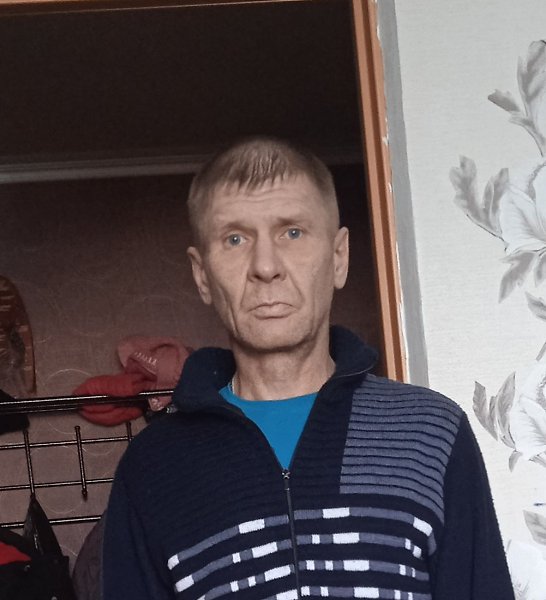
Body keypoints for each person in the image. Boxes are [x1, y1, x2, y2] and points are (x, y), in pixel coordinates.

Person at [102, 137, 514, 600]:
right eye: (235, 239)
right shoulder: (152, 468)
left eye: (292, 232)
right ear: (203, 276)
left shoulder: (432, 433)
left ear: (338, 257)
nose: (265, 266)